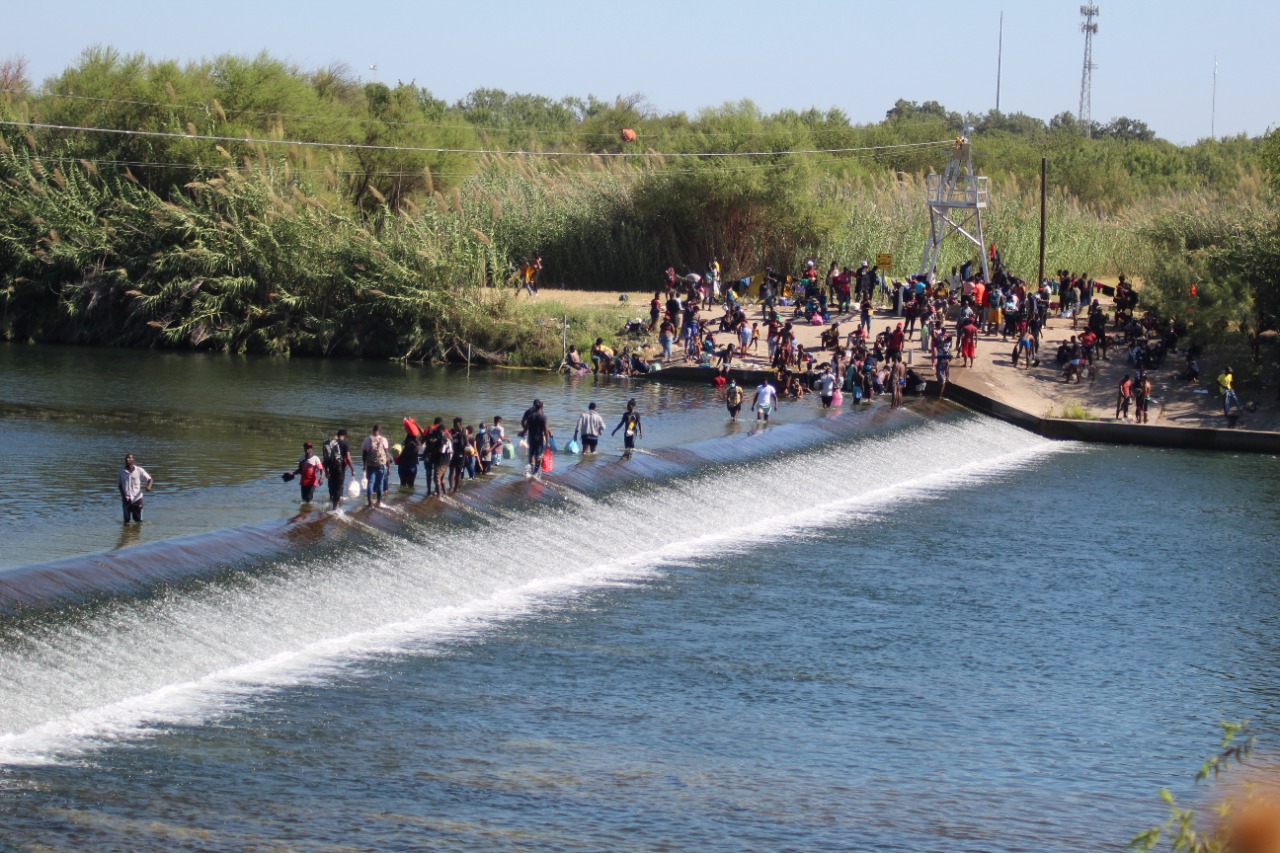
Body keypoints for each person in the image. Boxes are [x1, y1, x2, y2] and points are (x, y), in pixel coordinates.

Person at [321, 429, 355, 510]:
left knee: (331, 484)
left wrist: (326, 471)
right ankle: (336, 506)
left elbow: (325, 458)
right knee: (339, 486)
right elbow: (348, 458)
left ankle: (330, 499)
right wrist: (352, 469)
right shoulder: (345, 443)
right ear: (344, 436)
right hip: (340, 467)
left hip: (329, 466)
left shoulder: (329, 443)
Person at [361, 423, 391, 508]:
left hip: (370, 465)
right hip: (381, 465)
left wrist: (364, 465)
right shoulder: (383, 440)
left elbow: (364, 454)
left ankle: (370, 502)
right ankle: (379, 502)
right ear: (380, 431)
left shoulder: (367, 439)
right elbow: (386, 454)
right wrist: (389, 467)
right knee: (380, 484)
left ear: (373, 430)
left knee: (370, 482)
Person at [117, 453, 153, 524]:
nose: (127, 459)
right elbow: (120, 485)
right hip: (126, 499)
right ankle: (127, 535)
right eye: (126, 458)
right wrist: (123, 496)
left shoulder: (139, 470)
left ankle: (136, 534)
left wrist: (149, 486)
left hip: (137, 499)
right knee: (126, 522)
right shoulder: (121, 472)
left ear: (133, 460)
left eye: (129, 458)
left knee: (139, 522)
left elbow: (150, 479)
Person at [524, 399, 551, 476]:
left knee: (531, 455)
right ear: (541, 407)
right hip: (539, 439)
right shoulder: (543, 417)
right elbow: (545, 430)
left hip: (531, 439)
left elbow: (526, 426)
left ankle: (530, 470)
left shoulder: (531, 416)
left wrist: (523, 432)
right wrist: (547, 442)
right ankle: (535, 472)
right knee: (538, 456)